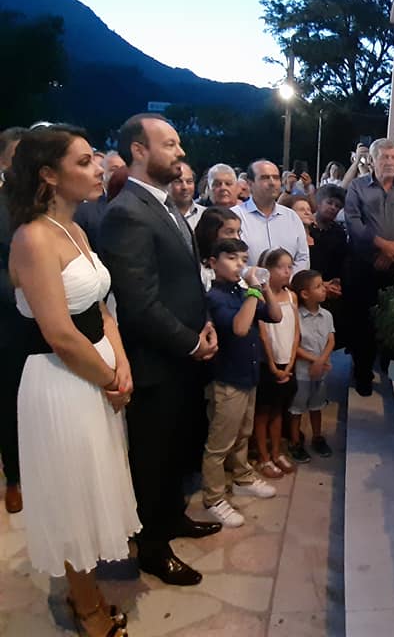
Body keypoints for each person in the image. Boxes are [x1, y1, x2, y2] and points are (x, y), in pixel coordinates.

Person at [6, 124, 138, 636]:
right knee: (72, 496)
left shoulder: (75, 229)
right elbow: (60, 333)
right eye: (83, 162)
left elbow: (100, 306)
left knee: (92, 483)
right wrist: (110, 379)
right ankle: (86, 608)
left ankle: (86, 588)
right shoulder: (33, 237)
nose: (98, 168)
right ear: (48, 174)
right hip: (62, 380)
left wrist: (121, 361)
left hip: (96, 373)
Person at [98, 113, 221, 587]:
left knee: (174, 450)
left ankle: (172, 518)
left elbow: (184, 279)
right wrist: (191, 343)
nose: (180, 152)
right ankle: (151, 547)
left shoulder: (164, 204)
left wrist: (204, 323)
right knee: (152, 457)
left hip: (183, 354)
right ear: (138, 150)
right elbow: (139, 302)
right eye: (169, 144)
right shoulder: (126, 212)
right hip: (156, 360)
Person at [202, 238, 281, 528]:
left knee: (243, 433)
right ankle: (213, 497)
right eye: (232, 258)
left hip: (248, 376)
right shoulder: (214, 297)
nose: (240, 264)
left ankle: (242, 478)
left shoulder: (242, 291)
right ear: (213, 263)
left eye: (244, 259)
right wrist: (253, 290)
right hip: (227, 380)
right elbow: (239, 327)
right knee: (219, 443)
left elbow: (275, 315)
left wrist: (265, 287)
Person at [344, 137, 394, 396]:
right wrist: (382, 245)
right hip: (366, 265)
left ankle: (390, 369)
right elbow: (353, 221)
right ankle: (362, 373)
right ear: (372, 160)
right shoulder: (357, 187)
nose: (389, 162)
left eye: (393, 157)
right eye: (384, 157)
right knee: (363, 323)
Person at [0, 126, 27, 514]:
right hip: (10, 318)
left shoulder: (45, 202)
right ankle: (15, 478)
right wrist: (27, 295)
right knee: (10, 400)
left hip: (50, 320)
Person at [255, 248, 300, 478]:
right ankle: (263, 457)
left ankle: (276, 451)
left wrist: (290, 363)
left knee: (278, 410)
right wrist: (272, 366)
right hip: (267, 364)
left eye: (290, 267)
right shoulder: (260, 298)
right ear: (267, 270)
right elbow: (264, 335)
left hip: (287, 363)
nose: (287, 271)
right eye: (281, 267)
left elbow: (296, 332)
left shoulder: (292, 296)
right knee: (263, 412)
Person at [287, 270, 336, 461]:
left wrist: (322, 360)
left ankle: (317, 437)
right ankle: (295, 442)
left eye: (323, 285)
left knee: (317, 405)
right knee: (297, 408)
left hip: (321, 371)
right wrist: (314, 360)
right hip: (302, 372)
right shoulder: (296, 317)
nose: (324, 289)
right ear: (305, 294)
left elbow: (331, 340)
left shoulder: (327, 315)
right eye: (318, 286)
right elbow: (295, 346)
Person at [232, 159, 309, 273]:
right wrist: (260, 279)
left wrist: (286, 279)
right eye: (265, 178)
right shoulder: (235, 217)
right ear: (250, 183)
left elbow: (303, 258)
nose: (272, 182)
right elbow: (230, 260)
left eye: (276, 178)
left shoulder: (291, 217)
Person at [74, 150, 126, 251]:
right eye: (114, 169)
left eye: (123, 168)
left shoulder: (141, 206)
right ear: (103, 173)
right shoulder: (85, 212)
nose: (120, 173)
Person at [195, 207, 243, 291]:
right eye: (230, 232)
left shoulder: (238, 264)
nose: (237, 238)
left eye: (238, 232)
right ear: (211, 233)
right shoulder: (198, 268)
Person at [168, 161, 205, 229]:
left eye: (189, 182)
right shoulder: (159, 214)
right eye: (178, 182)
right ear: (167, 185)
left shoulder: (205, 215)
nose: (185, 187)